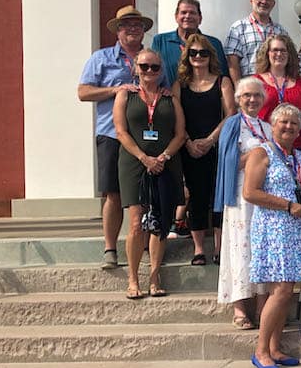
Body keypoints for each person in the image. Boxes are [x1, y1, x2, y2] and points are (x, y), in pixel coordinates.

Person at [77, 5, 153, 270]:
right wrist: (115, 89)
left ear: (143, 30)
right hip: (111, 133)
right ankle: (110, 248)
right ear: (118, 30)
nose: (132, 29)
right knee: (113, 194)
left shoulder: (150, 58)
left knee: (145, 193)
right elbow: (83, 92)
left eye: (137, 25)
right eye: (126, 25)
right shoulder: (101, 58)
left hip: (144, 135)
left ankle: (143, 245)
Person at [243, 103, 301, 368]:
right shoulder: (262, 153)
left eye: (294, 124)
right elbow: (250, 192)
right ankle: (260, 350)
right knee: (281, 290)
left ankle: (274, 347)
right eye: (283, 122)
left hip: (294, 228)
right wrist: (287, 205)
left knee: (284, 292)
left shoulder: (299, 156)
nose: (288, 127)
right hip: (273, 227)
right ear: (272, 126)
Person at [112, 49, 186, 300]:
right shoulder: (125, 95)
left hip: (165, 163)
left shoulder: (169, 98)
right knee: (136, 223)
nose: (149, 72)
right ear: (135, 68)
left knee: (160, 222)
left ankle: (155, 275)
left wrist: (163, 157)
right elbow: (121, 132)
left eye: (155, 67)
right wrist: (144, 158)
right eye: (144, 67)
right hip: (134, 163)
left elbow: (180, 133)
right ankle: (133, 278)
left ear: (161, 70)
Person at [173, 33, 236, 266]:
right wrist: (188, 142)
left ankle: (220, 248)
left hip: (217, 147)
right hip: (189, 148)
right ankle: (199, 249)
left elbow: (230, 113)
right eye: (193, 53)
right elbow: (176, 118)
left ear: (211, 56)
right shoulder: (180, 85)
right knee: (197, 198)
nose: (198, 57)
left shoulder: (223, 82)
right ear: (187, 57)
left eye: (203, 53)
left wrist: (210, 140)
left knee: (218, 198)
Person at [214, 77, 270, 330]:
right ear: (238, 99)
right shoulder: (232, 125)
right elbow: (229, 163)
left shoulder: (268, 128)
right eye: (247, 95)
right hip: (240, 196)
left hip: (264, 196)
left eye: (257, 95)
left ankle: (261, 306)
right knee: (240, 248)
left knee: (261, 249)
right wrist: (258, 155)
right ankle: (239, 306)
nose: (252, 99)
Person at [150, 0, 227, 87]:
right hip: (168, 98)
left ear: (200, 18)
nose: (187, 16)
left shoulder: (213, 44)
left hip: (203, 98)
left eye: (192, 13)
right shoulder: (160, 41)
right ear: (176, 17)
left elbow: (222, 75)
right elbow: (151, 71)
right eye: (183, 12)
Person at [224, 0, 289, 87]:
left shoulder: (280, 30)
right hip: (250, 86)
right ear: (251, 0)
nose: (264, 2)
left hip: (276, 86)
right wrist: (239, 89)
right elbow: (232, 63)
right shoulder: (238, 28)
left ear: (273, 4)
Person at [253, 34, 301, 153]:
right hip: (265, 146)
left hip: (297, 146)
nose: (279, 54)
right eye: (275, 50)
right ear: (267, 53)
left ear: (289, 54)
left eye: (283, 50)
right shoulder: (255, 83)